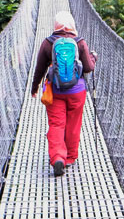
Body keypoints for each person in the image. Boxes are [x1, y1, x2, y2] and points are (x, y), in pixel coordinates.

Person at [30, 11, 96, 177]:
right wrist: (93, 58)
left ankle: (58, 157)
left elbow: (40, 68)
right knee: (73, 125)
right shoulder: (79, 43)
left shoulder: (48, 43)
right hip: (77, 91)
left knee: (56, 124)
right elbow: (88, 68)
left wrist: (35, 87)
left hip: (55, 91)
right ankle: (70, 157)